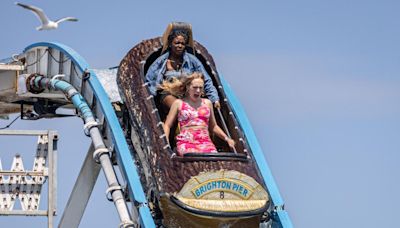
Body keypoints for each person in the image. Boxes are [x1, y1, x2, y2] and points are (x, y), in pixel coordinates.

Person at [145, 27, 220, 109]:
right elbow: (149, 81)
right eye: (177, 43)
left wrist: (215, 99)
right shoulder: (161, 62)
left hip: (188, 95)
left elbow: (206, 80)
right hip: (168, 94)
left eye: (182, 43)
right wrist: (149, 103)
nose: (180, 46)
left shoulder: (193, 61)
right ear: (170, 44)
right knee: (180, 107)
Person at [162, 72, 235, 156]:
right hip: (186, 141)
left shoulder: (207, 103)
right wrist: (165, 143)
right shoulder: (179, 103)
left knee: (213, 157)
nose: (198, 91)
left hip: (205, 141)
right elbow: (167, 125)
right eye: (195, 87)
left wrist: (227, 139)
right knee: (192, 156)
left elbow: (213, 126)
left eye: (200, 88)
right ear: (188, 87)